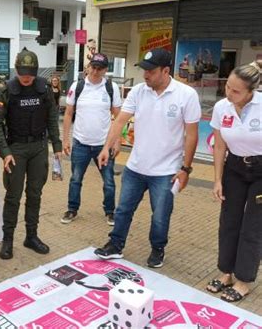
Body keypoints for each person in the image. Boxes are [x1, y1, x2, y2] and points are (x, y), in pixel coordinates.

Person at [94, 48, 201, 268]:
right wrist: (106, 147)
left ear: (165, 71)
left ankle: (157, 249)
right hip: (136, 166)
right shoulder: (138, 92)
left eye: (151, 71)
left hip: (166, 171)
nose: (146, 75)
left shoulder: (186, 95)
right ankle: (115, 245)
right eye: (144, 70)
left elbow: (192, 135)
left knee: (160, 215)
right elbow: (120, 121)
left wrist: (186, 168)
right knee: (123, 209)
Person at [0, 47, 62, 260]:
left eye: (30, 73)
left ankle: (31, 236)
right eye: (22, 73)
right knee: (13, 196)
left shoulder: (45, 89)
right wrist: (5, 153)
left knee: (35, 194)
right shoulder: (6, 89)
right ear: (16, 70)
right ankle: (8, 240)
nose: (26, 77)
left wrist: (57, 146)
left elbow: (52, 117)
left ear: (36, 72)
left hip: (39, 148)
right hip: (16, 149)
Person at [205, 64, 261, 302]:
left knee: (253, 226)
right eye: (227, 86)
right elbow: (219, 146)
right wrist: (217, 179)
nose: (229, 93)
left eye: (236, 91)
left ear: (251, 91)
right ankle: (226, 271)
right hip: (235, 168)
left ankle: (244, 280)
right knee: (229, 221)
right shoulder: (221, 107)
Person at [60, 53, 122, 225]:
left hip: (104, 145)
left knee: (109, 181)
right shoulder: (77, 86)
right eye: (93, 67)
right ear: (88, 67)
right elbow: (68, 114)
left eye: (99, 68)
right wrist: (66, 140)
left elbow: (118, 116)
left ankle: (110, 212)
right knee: (76, 179)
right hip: (80, 143)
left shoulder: (111, 88)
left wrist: (117, 142)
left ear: (105, 70)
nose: (95, 71)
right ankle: (72, 209)